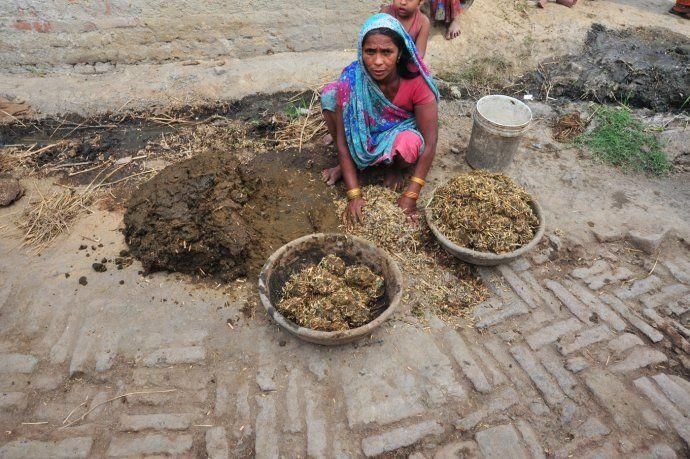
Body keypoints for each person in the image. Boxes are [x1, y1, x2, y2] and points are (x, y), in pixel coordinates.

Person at [320, 13, 440, 224]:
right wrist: (354, 195)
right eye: (370, 52)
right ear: (361, 51)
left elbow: (430, 143)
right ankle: (352, 164)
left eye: (387, 52)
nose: (377, 62)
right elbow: (342, 141)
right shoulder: (352, 79)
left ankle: (392, 167)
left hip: (398, 132)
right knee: (330, 95)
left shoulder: (416, 80)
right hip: (362, 135)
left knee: (411, 144)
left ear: (400, 53)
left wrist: (411, 196)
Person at [321, 1, 430, 146]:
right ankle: (343, 137)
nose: (403, 2)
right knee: (331, 95)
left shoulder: (422, 22)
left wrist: (397, 61)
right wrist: (381, 60)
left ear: (421, 1)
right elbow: (373, 37)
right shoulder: (386, 11)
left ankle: (388, 134)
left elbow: (419, 54)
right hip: (380, 71)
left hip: (401, 68)